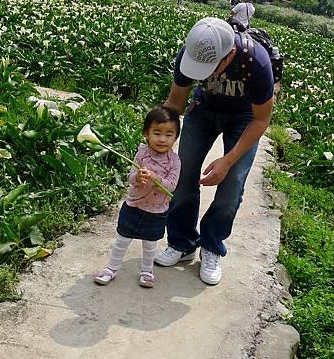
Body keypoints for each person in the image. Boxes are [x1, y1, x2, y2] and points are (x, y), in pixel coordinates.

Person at [154, 17, 274, 285]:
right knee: (182, 173)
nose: (202, 74)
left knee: (232, 183)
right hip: (204, 109)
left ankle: (211, 245)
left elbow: (262, 119)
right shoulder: (190, 53)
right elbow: (175, 102)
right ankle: (182, 242)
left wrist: (228, 161)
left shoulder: (257, 62)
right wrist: (156, 145)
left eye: (208, 68)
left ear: (229, 54)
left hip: (245, 118)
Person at [93, 106, 181, 288]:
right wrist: (138, 177)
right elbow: (131, 177)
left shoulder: (175, 161)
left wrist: (157, 179)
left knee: (150, 244)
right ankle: (111, 269)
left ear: (176, 137)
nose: (162, 139)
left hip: (156, 210)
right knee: (122, 239)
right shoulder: (142, 154)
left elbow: (171, 186)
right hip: (133, 205)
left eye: (169, 134)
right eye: (157, 133)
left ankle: (147, 271)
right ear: (146, 134)